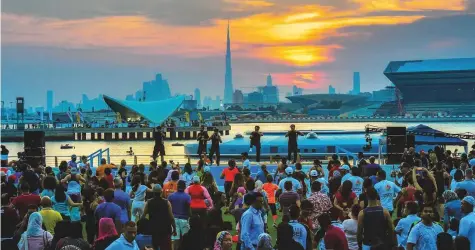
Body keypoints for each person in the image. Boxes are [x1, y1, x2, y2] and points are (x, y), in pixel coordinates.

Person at [143, 184, 176, 250]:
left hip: (153, 229)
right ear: (161, 192)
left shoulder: (149, 202)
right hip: (165, 229)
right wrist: (174, 228)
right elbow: (171, 217)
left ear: (153, 192)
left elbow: (143, 216)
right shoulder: (167, 202)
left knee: (154, 247)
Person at [168, 180, 191, 250]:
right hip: (184, 219)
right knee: (186, 238)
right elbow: (189, 209)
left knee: (175, 239)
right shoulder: (188, 197)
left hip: (174, 220)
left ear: (177, 187)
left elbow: (168, 208)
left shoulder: (171, 196)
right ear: (184, 187)